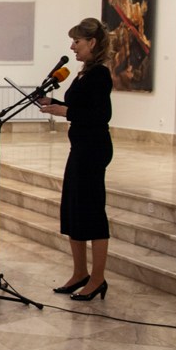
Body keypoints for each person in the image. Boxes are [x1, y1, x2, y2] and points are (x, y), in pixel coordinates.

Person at [39, 17, 114, 301]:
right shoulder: (83, 73)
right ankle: (80, 272)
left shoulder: (100, 74)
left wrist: (66, 112)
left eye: (77, 41)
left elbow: (101, 115)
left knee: (92, 211)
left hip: (94, 149)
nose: (72, 47)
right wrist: (54, 104)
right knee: (74, 209)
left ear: (92, 42)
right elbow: (78, 106)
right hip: (80, 147)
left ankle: (97, 278)